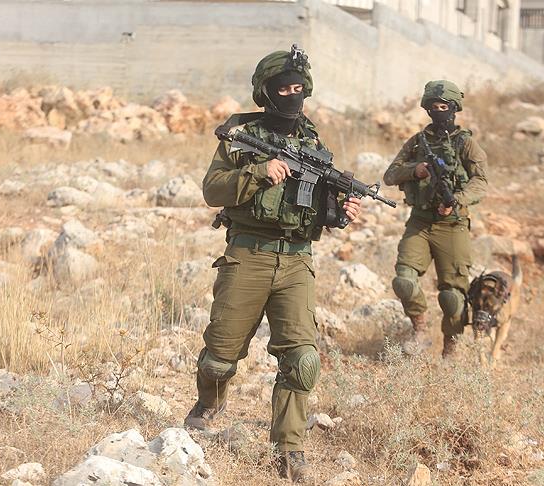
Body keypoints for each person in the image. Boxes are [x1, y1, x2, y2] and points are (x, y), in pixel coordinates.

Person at [183, 46, 361, 483]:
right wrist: (260, 173)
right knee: (218, 360)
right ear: (266, 92)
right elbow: (212, 191)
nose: (292, 95)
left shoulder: (314, 145)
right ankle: (209, 402)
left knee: (303, 360)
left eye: (299, 87)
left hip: (297, 261)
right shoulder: (242, 137)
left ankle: (289, 449)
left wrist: (340, 213)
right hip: (247, 255)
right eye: (283, 88)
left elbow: (318, 209)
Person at [383, 80, 488, 358]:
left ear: (454, 108)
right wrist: (414, 170)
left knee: (452, 296)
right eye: (433, 107)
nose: (438, 112)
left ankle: (451, 348)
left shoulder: (466, 143)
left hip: (453, 226)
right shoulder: (418, 141)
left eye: (443, 107)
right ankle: (419, 328)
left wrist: (457, 200)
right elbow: (390, 175)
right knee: (404, 281)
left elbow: (481, 183)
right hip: (420, 222)